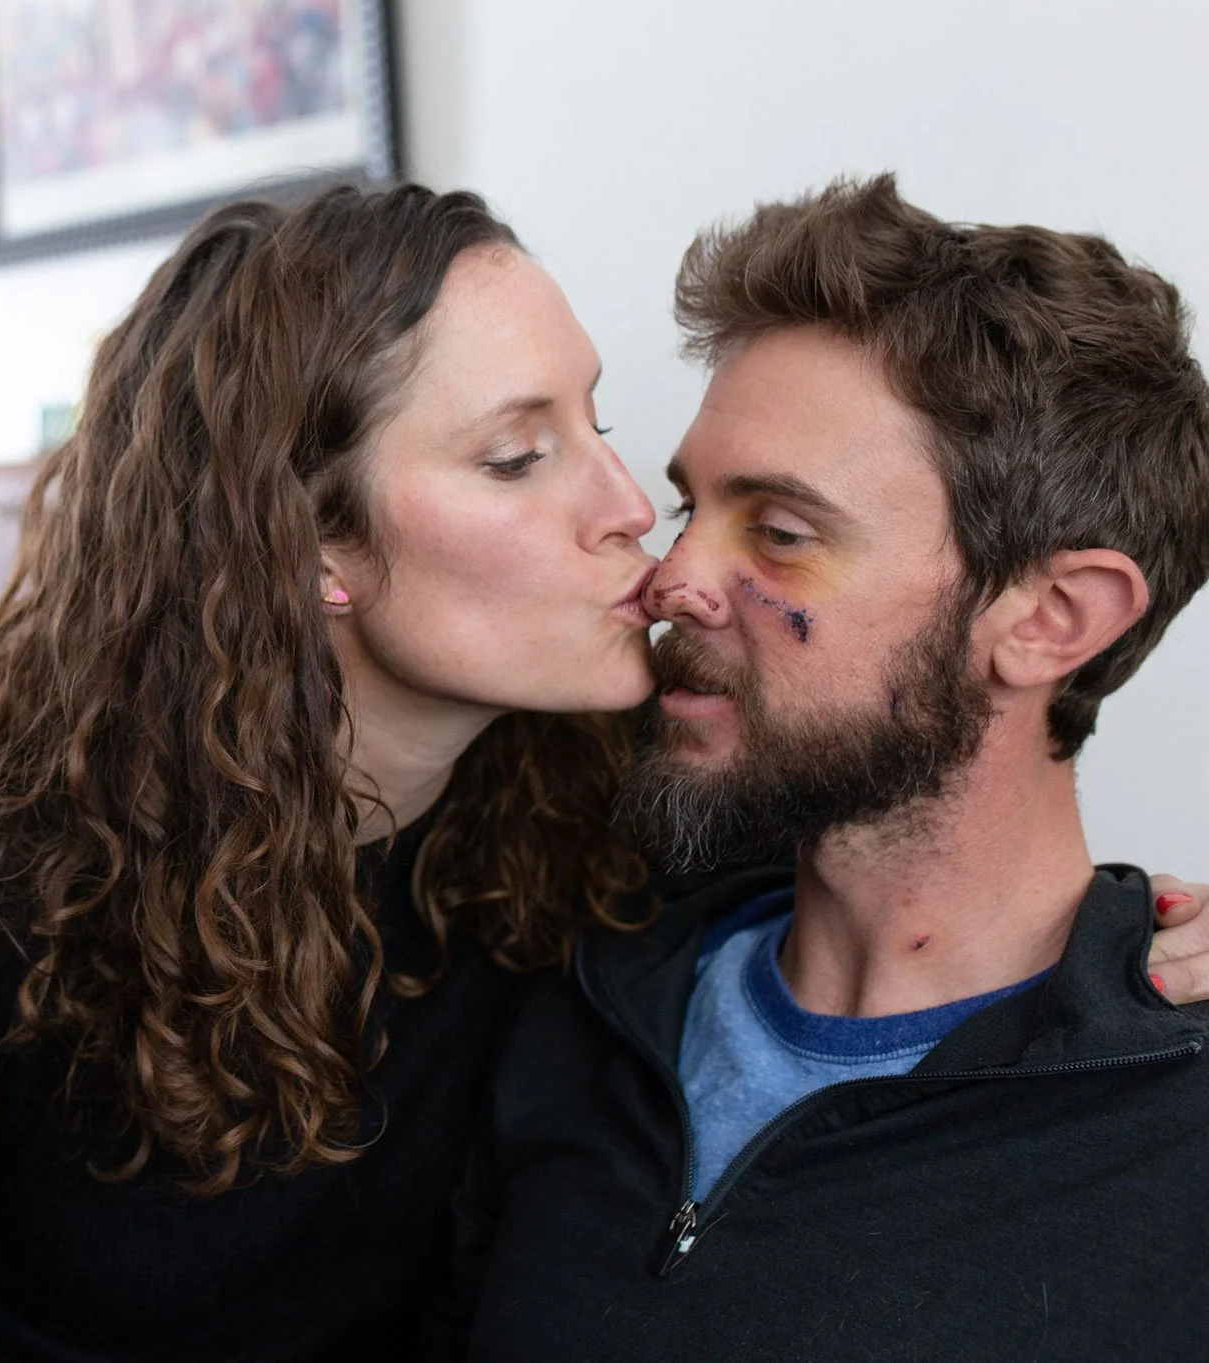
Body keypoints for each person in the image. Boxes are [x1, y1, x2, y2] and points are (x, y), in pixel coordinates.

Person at [0, 184, 1209, 1362]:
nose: (644, 525)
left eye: (598, 428)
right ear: (313, 542)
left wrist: (1137, 949)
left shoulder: (627, 815)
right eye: (516, 456)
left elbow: (930, 834)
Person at [461, 176, 1209, 1360]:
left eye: (780, 533)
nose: (670, 579)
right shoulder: (568, 995)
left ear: (1049, 619)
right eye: (691, 507)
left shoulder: (1171, 1136)